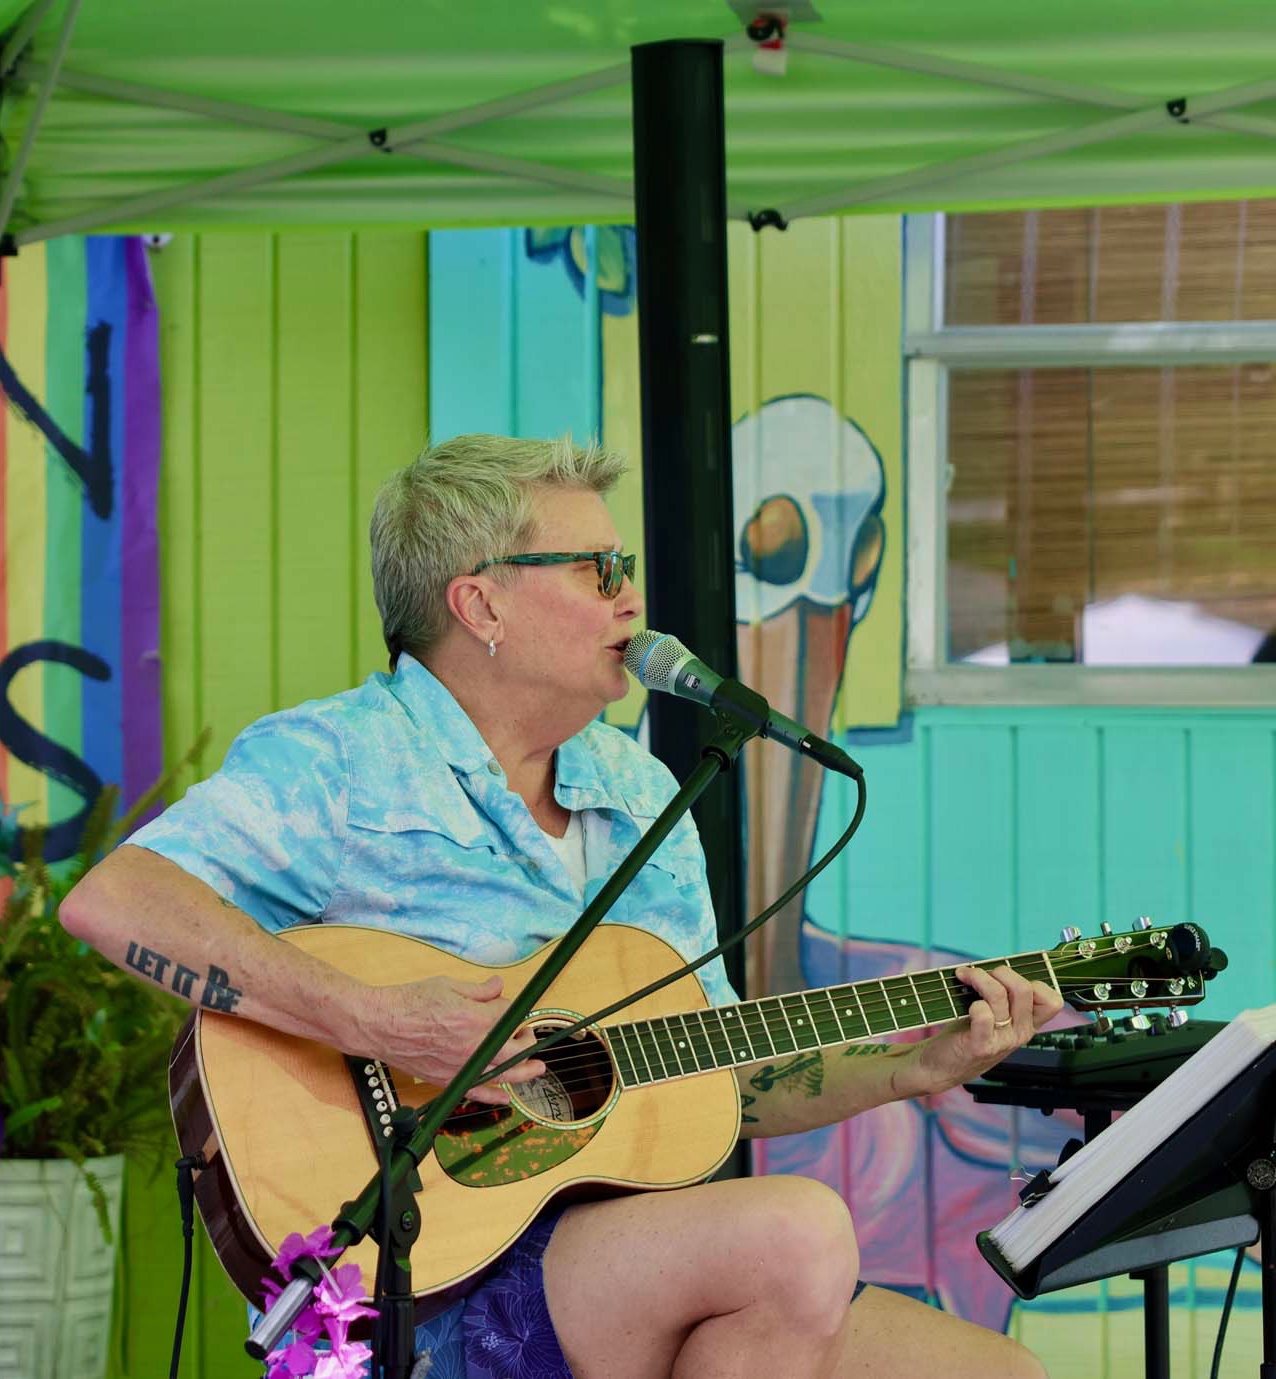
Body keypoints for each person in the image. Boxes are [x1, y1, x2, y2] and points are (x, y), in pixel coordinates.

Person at [62, 434, 1063, 1379]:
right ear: (481, 603)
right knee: (794, 1228)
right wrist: (377, 1020)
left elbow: (721, 1077)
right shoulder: (342, 757)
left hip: (613, 1252)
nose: (633, 597)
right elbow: (115, 901)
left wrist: (911, 1067)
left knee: (1001, 1369)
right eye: (601, 568)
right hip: (411, 1278)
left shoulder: (635, 788)